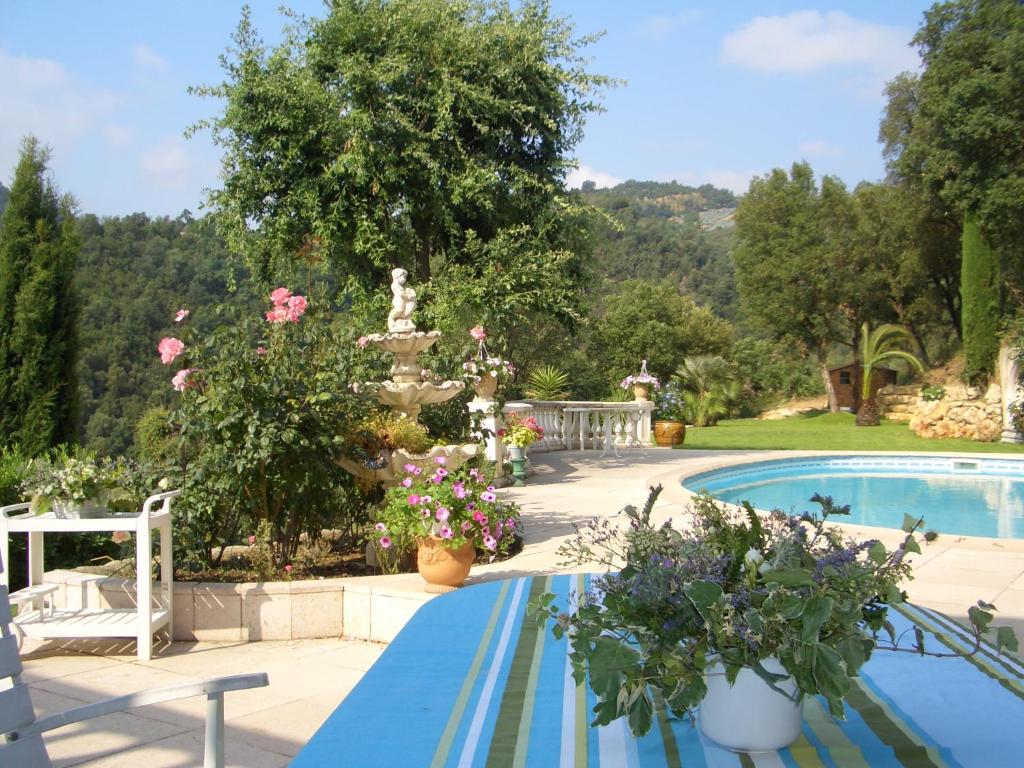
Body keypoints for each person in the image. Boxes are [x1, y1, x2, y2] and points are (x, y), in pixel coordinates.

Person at [387, 267, 417, 332]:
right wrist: (408, 297)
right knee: (399, 309)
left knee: (404, 311)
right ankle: (391, 318)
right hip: (398, 300)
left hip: (402, 300)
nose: (405, 279)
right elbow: (401, 294)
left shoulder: (399, 286)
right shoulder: (395, 284)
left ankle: (405, 321)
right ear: (398, 276)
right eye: (404, 277)